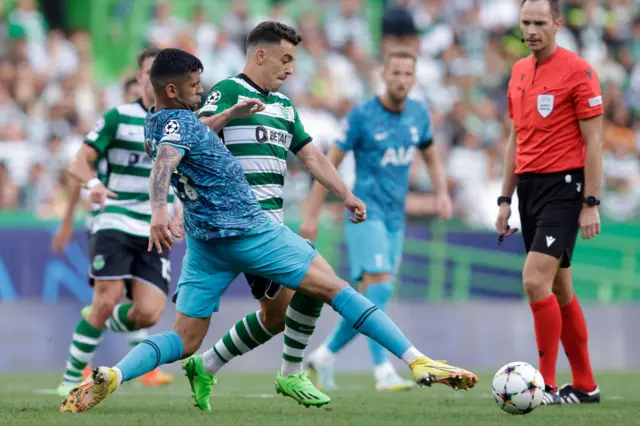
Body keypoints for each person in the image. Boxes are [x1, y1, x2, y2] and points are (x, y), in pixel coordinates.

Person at [59, 48, 477, 414]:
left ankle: (113, 375)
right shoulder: (177, 128)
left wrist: (229, 116)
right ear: (173, 91)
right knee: (335, 288)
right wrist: (156, 211)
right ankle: (417, 359)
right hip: (250, 229)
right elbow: (166, 161)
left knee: (184, 339)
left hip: (206, 243)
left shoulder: (155, 122)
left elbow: (185, 136)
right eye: (194, 86)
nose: (200, 91)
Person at [183, 21, 358, 410]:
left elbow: (311, 155)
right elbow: (191, 135)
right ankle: (291, 373)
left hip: (270, 227)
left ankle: (206, 365)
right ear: (260, 55)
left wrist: (345, 194)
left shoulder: (284, 106)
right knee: (317, 286)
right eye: (286, 58)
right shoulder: (228, 91)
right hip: (236, 225)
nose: (291, 68)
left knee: (276, 317)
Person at [301, 47, 452, 392]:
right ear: (383, 76)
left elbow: (431, 155)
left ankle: (325, 355)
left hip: (395, 218)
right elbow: (328, 163)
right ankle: (383, 370)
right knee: (380, 287)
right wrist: (311, 214)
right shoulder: (362, 116)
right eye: (395, 73)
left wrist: (441, 193)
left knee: (371, 296)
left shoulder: (419, 114)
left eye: (407, 74)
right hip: (364, 214)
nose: (401, 80)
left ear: (414, 79)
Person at [54, 48, 180, 397]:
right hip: (116, 219)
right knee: (108, 297)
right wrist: (93, 185)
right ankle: (68, 382)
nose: (152, 78)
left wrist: (181, 210)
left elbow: (184, 174)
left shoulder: (179, 122)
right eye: (147, 72)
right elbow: (79, 162)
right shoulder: (117, 117)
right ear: (139, 77)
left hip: (156, 227)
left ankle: (93, 317)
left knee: (148, 313)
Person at [496, 0, 602, 405]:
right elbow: (514, 138)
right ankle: (586, 385)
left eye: (540, 22)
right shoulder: (520, 70)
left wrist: (590, 201)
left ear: (557, 23)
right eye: (526, 22)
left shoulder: (579, 71)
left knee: (533, 280)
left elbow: (595, 141)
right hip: (529, 190)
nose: (532, 29)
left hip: (566, 188)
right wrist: (505, 198)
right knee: (560, 288)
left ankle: (546, 385)